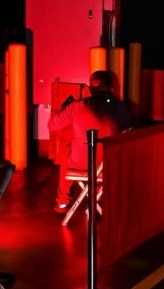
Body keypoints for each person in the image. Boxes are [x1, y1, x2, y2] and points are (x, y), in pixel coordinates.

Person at [48, 69, 133, 213]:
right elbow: (130, 131)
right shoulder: (121, 107)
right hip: (109, 164)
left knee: (66, 152)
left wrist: (61, 110)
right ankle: (98, 196)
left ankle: (62, 202)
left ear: (90, 88)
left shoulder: (77, 106)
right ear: (111, 88)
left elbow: (52, 125)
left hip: (80, 163)